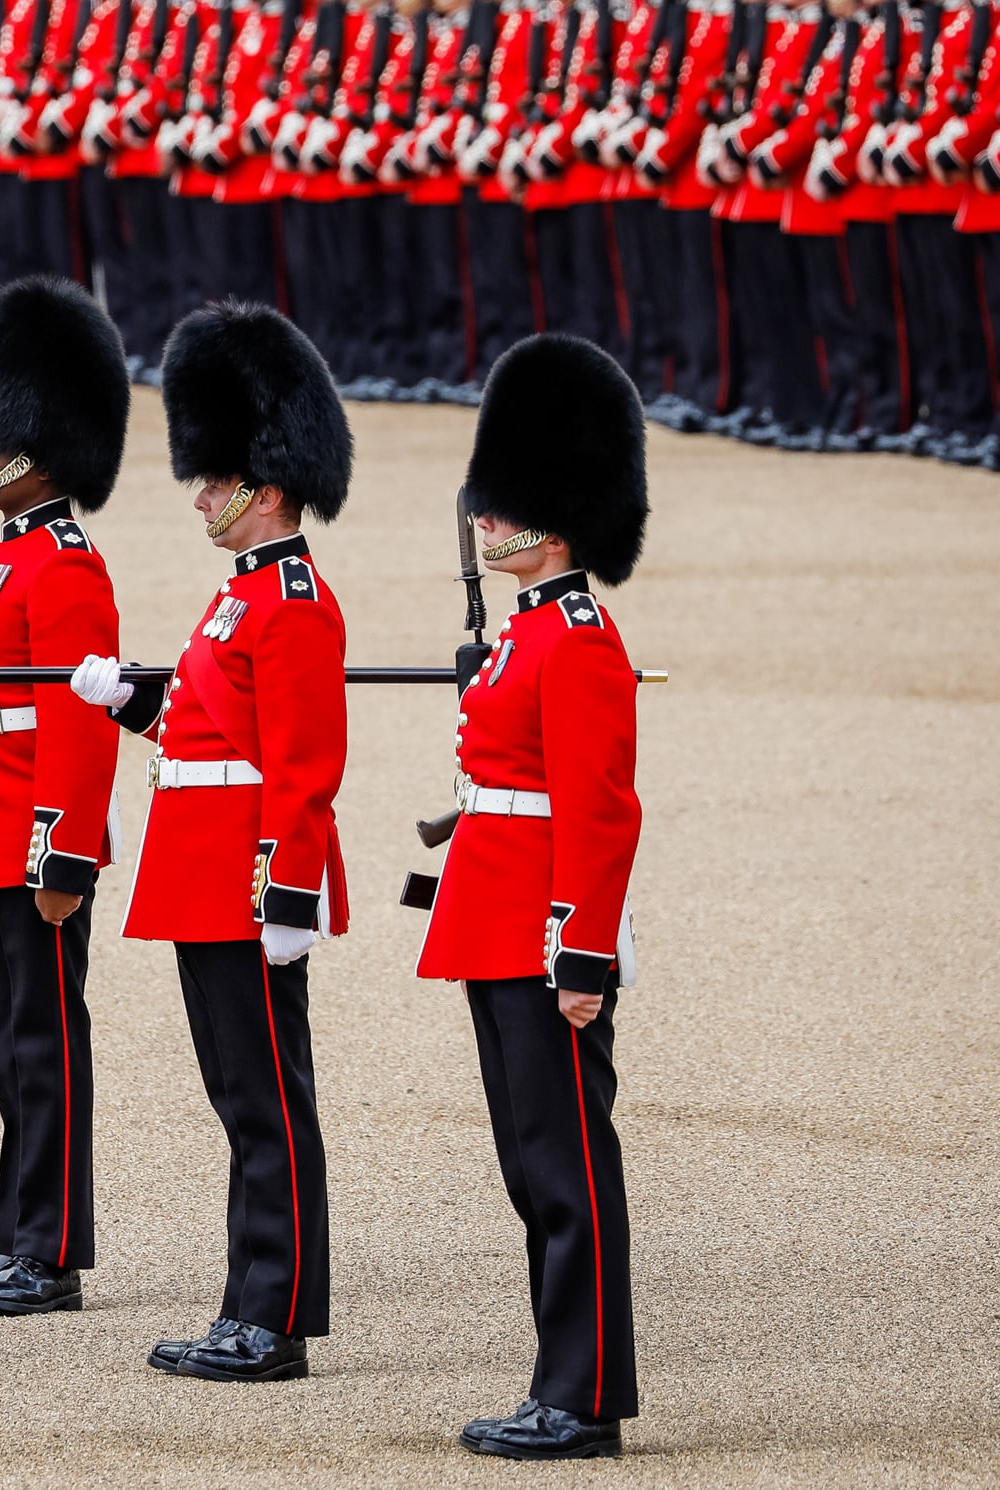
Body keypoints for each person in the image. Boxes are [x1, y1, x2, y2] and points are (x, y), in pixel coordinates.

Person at [70, 302, 349, 1381]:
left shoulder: (290, 603)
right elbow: (208, 727)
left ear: (266, 486)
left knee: (265, 1100)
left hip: (241, 880)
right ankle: (249, 1300)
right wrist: (130, 698)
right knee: (240, 1099)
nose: (200, 495)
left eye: (214, 478)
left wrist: (287, 893)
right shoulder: (240, 598)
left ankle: (271, 1318)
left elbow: (302, 765)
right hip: (200, 872)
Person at [415, 333, 645, 1459]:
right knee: (530, 1165)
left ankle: (585, 1392)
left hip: (544, 937)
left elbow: (602, 814)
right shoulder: (526, 636)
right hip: (494, 918)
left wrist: (583, 952)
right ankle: (560, 1379)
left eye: (503, 506)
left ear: (553, 519)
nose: (484, 520)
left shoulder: (580, 640)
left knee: (565, 1169)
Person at [0, 275, 128, 1317]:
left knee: (45, 1045)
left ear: (41, 446)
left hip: (30, 844)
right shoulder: (6, 566)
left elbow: (79, 727)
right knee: (14, 1046)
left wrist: (63, 853)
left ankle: (50, 1251)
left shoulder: (65, 567)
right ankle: (14, 1235)